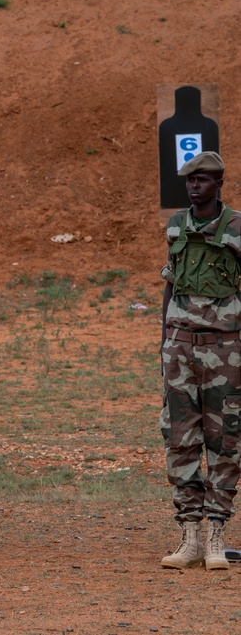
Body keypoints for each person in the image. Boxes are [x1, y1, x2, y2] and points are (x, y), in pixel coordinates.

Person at [159, 151, 241, 570]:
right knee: (180, 436)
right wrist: (163, 344)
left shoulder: (237, 227)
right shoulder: (176, 225)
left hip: (226, 348)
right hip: (180, 347)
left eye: (203, 180)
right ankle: (189, 535)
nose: (195, 187)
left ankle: (215, 535)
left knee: (225, 438)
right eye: (191, 181)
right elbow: (169, 286)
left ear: (219, 184)